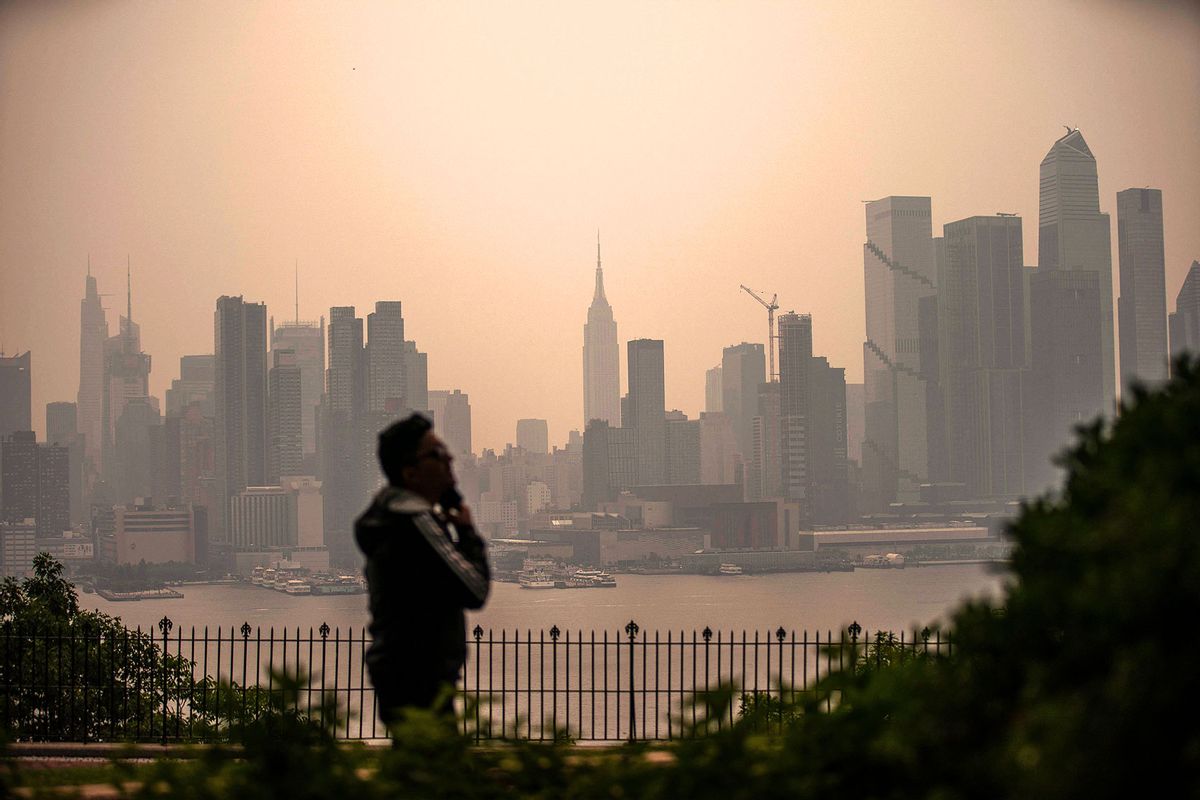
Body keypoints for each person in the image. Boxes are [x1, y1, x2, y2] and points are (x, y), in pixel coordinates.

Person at [355, 414, 490, 725]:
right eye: (437, 454)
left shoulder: (390, 516)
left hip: (399, 670)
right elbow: (475, 589)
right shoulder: (416, 523)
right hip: (421, 676)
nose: (449, 459)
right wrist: (468, 533)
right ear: (411, 473)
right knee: (432, 766)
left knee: (418, 767)